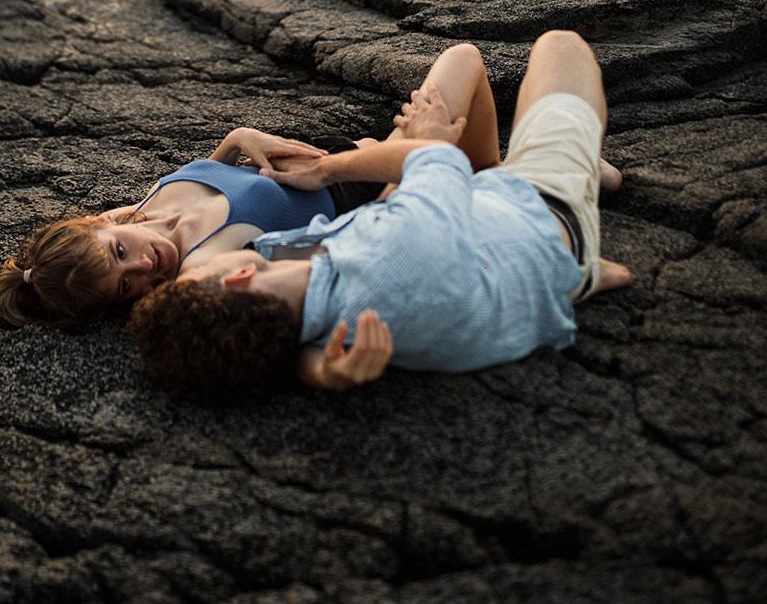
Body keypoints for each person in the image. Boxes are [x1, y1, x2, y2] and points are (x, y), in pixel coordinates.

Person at [129, 32, 632, 402]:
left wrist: (320, 374)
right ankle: (582, 195)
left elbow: (282, 353)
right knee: (559, 48)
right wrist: (335, 168)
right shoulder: (396, 253)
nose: (192, 265)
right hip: (538, 210)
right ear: (237, 277)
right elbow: (439, 160)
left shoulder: (299, 324)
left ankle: (581, 235)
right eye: (193, 277)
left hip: (486, 259)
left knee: (455, 89)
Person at [0, 43, 502, 330]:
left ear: (99, 224)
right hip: (377, 182)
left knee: (464, 65)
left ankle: (485, 178)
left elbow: (207, 179)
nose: (144, 265)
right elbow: (346, 245)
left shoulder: (138, 211)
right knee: (463, 60)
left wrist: (238, 139)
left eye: (119, 252)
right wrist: (406, 166)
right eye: (126, 285)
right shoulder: (202, 267)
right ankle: (482, 186)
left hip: (353, 152)